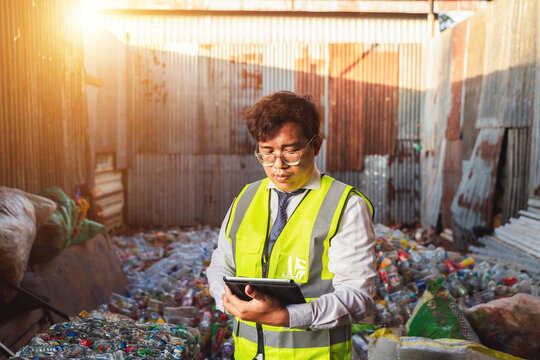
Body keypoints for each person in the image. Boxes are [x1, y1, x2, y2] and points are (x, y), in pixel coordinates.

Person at [207, 91, 376, 360]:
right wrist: (227, 301)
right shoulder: (245, 199)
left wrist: (286, 316)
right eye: (267, 152)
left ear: (316, 145)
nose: (278, 165)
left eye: (291, 150)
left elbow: (358, 296)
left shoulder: (345, 205)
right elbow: (220, 264)